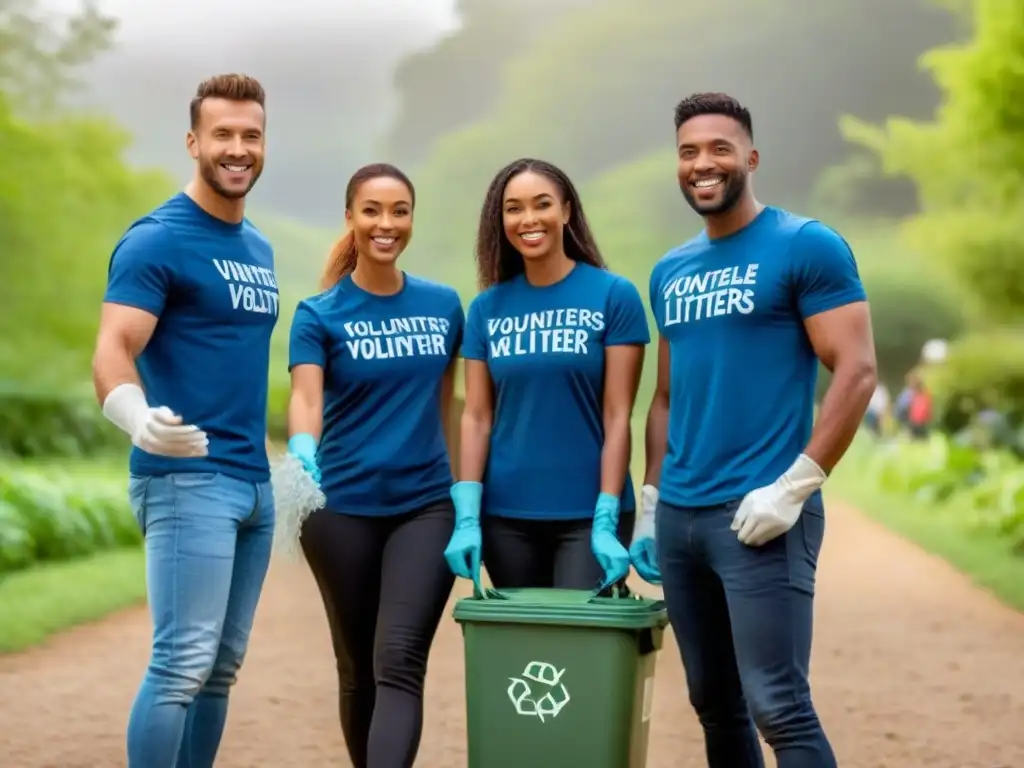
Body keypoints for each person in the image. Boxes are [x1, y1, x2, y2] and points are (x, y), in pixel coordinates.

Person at [631, 93, 877, 768]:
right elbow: (665, 398)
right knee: (714, 702)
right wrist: (651, 504)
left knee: (779, 704)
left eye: (718, 148)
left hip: (760, 515)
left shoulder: (806, 245)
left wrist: (794, 488)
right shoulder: (670, 270)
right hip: (682, 519)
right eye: (688, 152)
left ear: (750, 157)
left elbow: (855, 370)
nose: (702, 164)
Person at [91, 74, 278, 768]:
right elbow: (113, 349)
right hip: (185, 480)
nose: (238, 148)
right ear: (194, 141)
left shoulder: (258, 246)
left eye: (251, 135)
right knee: (180, 665)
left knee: (220, 669)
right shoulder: (156, 240)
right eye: (223, 134)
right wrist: (138, 419)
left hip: (252, 483)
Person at [285, 163, 463, 768]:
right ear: (351, 219)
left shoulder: (443, 306)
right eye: (372, 211)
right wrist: (303, 451)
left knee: (400, 660)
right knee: (357, 666)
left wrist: (467, 498)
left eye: (399, 211)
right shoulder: (318, 313)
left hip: (426, 505)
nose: (386, 224)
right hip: (341, 511)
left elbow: (452, 404)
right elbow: (306, 396)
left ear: (411, 218)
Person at [443, 158, 650, 593]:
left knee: (575, 652)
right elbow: (477, 417)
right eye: (513, 208)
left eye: (542, 204)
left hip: (588, 515)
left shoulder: (613, 296)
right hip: (504, 519)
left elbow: (617, 416)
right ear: (500, 221)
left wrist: (607, 516)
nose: (528, 219)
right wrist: (466, 515)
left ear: (567, 211)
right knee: (527, 655)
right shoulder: (485, 309)